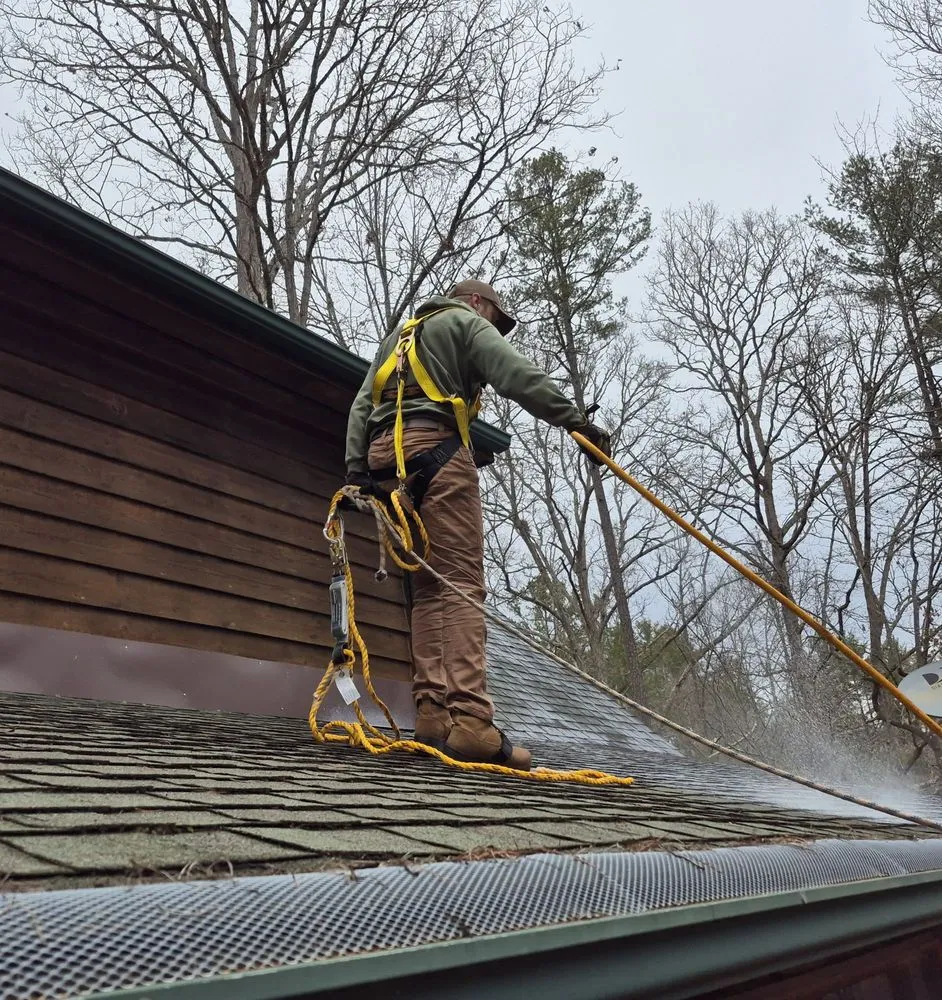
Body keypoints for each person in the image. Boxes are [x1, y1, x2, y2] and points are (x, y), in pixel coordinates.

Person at [344, 278, 610, 770]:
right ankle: (471, 722)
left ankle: (432, 714)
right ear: (475, 302)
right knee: (463, 585)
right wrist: (574, 421)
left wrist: (357, 470)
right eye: (494, 317)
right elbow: (514, 373)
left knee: (428, 590)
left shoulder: (399, 337)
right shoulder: (464, 322)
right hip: (439, 452)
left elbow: (364, 403)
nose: (494, 326)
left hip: (387, 467)